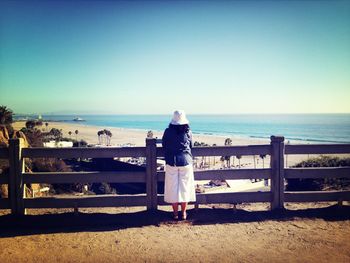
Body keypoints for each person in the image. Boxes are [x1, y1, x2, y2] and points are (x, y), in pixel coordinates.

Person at [162, 110, 196, 220]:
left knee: (173, 188)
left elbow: (164, 145)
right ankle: (184, 213)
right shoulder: (188, 132)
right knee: (184, 188)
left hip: (172, 162)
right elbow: (191, 146)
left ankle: (175, 214)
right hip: (186, 161)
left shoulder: (167, 131)